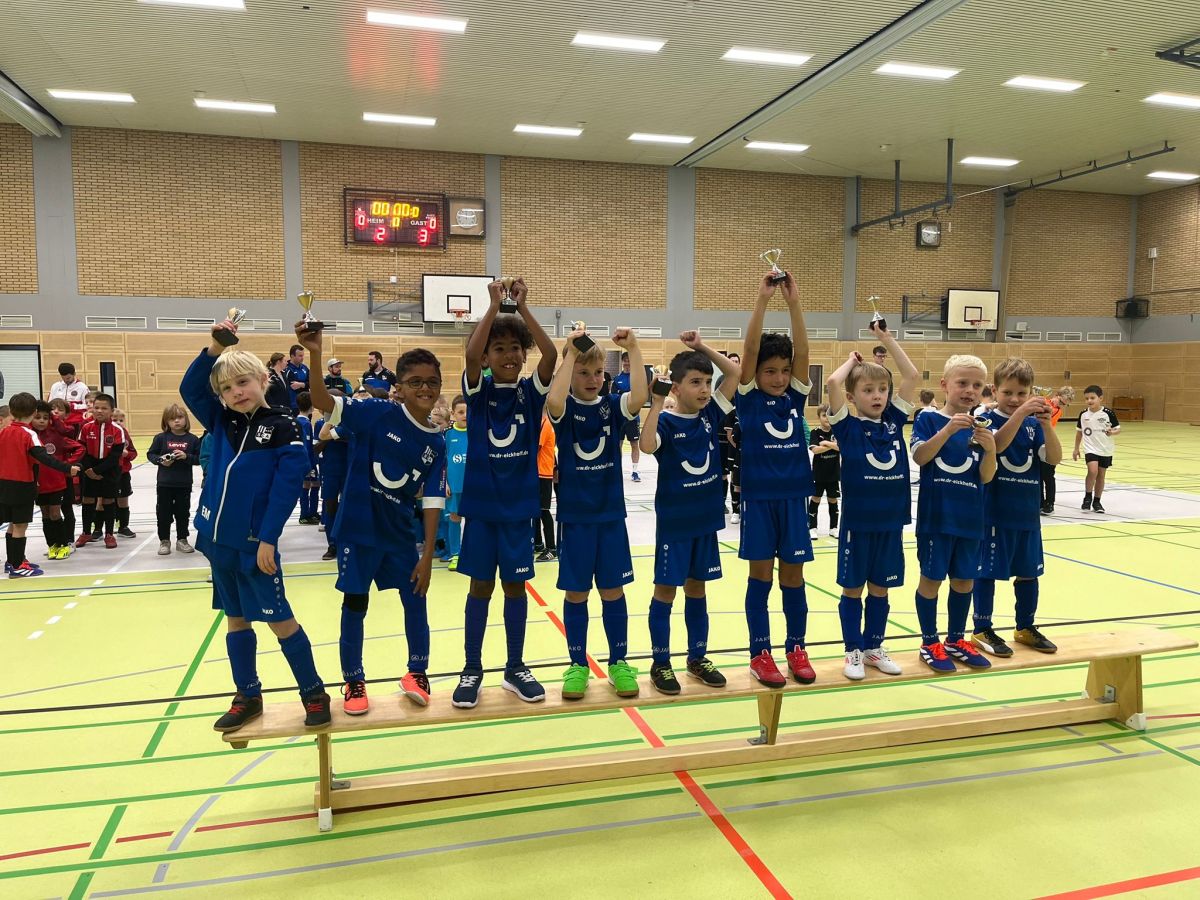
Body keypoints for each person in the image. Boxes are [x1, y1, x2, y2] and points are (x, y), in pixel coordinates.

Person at [181, 316, 331, 733]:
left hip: (254, 547)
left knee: (280, 621)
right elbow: (190, 390)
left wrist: (268, 538)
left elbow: (286, 490)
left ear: (264, 380)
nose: (236, 392)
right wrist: (215, 348)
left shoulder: (285, 427)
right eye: (227, 388)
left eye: (243, 382)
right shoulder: (221, 420)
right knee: (235, 618)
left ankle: (314, 692)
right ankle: (247, 695)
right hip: (217, 542)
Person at [301, 325, 448, 714]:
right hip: (359, 530)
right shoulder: (375, 413)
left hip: (399, 535)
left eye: (432, 382)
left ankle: (417, 672)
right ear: (399, 387)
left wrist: (427, 555)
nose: (424, 388)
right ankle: (353, 681)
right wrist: (315, 353)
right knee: (355, 602)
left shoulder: (436, 442)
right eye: (415, 382)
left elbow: (433, 501)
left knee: (415, 598)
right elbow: (322, 399)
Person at [452, 276, 557, 708]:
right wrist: (494, 307)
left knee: (515, 587)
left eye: (515, 348)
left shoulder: (531, 394)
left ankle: (515, 667)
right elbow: (469, 354)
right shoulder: (478, 394)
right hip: (481, 510)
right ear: (488, 357)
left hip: (517, 511)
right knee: (480, 587)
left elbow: (551, 354)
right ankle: (472, 668)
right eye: (499, 349)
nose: (509, 355)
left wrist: (523, 307)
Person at [547, 326, 646, 700]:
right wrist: (570, 352)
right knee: (576, 594)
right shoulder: (565, 409)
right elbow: (553, 399)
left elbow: (640, 396)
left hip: (609, 518)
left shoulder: (612, 406)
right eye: (583, 373)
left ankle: (619, 662)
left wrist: (633, 348)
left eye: (599, 372)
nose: (592, 379)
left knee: (612, 590)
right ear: (570, 374)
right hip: (575, 519)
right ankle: (577, 665)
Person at [640, 331, 740, 695]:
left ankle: (697, 657)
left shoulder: (710, 413)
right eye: (695, 382)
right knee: (666, 591)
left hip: (705, 522)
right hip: (675, 525)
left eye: (707, 382)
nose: (704, 389)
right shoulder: (666, 422)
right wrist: (656, 402)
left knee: (697, 589)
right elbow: (646, 445)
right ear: (677, 388)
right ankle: (660, 662)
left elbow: (735, 374)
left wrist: (700, 347)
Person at [734, 272, 818, 687]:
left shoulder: (794, 398)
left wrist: (794, 303)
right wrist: (764, 300)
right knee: (761, 577)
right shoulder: (748, 399)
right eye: (770, 371)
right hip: (759, 501)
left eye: (784, 371)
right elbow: (750, 350)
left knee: (794, 578)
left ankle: (796, 648)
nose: (780, 377)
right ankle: (760, 653)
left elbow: (803, 350)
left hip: (793, 500)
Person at [824, 326, 920, 680]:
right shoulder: (847, 428)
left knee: (881, 588)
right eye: (868, 390)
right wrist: (852, 362)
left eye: (882, 389)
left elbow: (911, 375)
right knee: (853, 588)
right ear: (853, 397)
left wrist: (887, 340)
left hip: (890, 522)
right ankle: (852, 651)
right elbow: (832, 383)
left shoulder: (893, 422)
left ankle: (873, 647)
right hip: (859, 524)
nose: (877, 396)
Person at [910, 355, 997, 673]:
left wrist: (991, 450)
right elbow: (920, 457)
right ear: (945, 384)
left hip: (971, 519)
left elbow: (986, 476)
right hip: (937, 518)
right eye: (962, 383)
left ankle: (956, 640)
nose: (970, 390)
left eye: (977, 385)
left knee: (964, 581)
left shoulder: (983, 427)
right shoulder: (929, 419)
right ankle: (929, 642)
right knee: (931, 579)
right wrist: (947, 431)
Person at [971, 358, 1062, 658]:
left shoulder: (1034, 426)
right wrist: (1022, 413)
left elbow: (1053, 458)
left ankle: (1025, 626)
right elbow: (997, 446)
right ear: (994, 390)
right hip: (994, 513)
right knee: (986, 572)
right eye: (1008, 393)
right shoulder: (985, 419)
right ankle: (982, 628)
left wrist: (1046, 425)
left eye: (1022, 394)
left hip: (1027, 514)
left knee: (1028, 573)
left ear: (1031, 392)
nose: (1014, 399)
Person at [0, 393, 79, 577]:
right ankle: (18, 566)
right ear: (34, 412)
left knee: (12, 523)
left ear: (12, 411)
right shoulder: (29, 434)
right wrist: (68, 468)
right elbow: (44, 458)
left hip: (3, 485)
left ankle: (12, 562)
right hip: (22, 485)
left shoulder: (3, 431)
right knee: (20, 526)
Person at [74, 393, 128, 549]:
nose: (99, 411)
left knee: (108, 501)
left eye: (104, 408)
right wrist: (89, 469)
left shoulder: (118, 430)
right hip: (89, 468)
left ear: (111, 410)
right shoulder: (86, 427)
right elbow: (81, 450)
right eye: (96, 407)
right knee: (88, 499)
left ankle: (109, 534)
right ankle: (86, 532)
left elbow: (115, 456)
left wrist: (98, 471)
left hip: (110, 469)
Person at [31, 400, 82, 561]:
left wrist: (67, 465)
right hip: (39, 484)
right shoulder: (29, 436)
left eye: (45, 418)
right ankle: (52, 544)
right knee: (45, 514)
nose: (41, 421)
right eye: (37, 417)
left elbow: (79, 447)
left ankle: (63, 544)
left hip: (57, 483)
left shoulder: (56, 435)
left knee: (55, 513)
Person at [148, 402, 200, 556]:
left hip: (184, 484)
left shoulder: (193, 439)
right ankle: (164, 540)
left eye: (180, 417)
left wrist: (186, 456)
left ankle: (182, 539)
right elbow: (151, 454)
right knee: (163, 513)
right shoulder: (161, 438)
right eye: (172, 418)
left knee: (183, 513)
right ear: (166, 421)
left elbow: (199, 458)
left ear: (186, 419)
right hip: (165, 484)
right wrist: (161, 460)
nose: (176, 421)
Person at [314, 394, 349, 562]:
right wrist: (329, 436)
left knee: (349, 506)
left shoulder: (349, 422)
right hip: (329, 470)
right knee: (330, 507)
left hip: (349, 469)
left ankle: (347, 543)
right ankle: (332, 545)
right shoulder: (320, 424)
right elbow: (315, 448)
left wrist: (335, 435)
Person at [1074, 385, 1119, 514]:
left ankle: (1097, 501)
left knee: (1101, 475)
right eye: (1087, 398)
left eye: (1092, 398)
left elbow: (1118, 429)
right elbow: (1079, 432)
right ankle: (1087, 497)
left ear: (1100, 398)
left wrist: (1112, 432)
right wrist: (1076, 449)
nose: (1089, 400)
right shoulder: (1083, 414)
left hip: (1105, 449)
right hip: (1090, 448)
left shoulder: (1108, 413)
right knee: (1092, 471)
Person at [47, 399, 79, 550]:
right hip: (48, 478)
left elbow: (77, 447)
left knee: (67, 509)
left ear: (66, 415)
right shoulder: (44, 431)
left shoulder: (68, 429)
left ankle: (70, 540)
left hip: (64, 477)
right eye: (52, 409)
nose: (55, 412)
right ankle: (55, 543)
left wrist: (67, 464)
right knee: (50, 512)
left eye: (59, 410)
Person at [610, 351, 646, 483]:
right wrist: (627, 393)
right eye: (625, 360)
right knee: (618, 444)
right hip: (619, 418)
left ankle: (635, 471)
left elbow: (638, 395)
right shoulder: (617, 379)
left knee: (634, 444)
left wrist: (624, 393)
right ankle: (617, 470)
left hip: (633, 418)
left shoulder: (637, 379)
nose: (627, 363)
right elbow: (614, 397)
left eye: (629, 360)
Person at [808, 403, 840, 539]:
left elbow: (842, 448)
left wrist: (826, 443)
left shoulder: (837, 431)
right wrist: (833, 446)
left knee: (833, 500)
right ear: (819, 417)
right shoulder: (815, 432)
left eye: (829, 415)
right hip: (819, 474)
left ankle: (833, 528)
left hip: (833, 474)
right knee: (816, 498)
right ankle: (812, 528)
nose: (827, 418)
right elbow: (815, 450)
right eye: (824, 415)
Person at [1040, 386, 1073, 514]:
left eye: (1064, 404)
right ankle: (1039, 502)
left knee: (1048, 475)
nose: (1061, 405)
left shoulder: (1056, 411)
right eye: (1061, 402)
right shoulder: (1045, 401)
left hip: (1047, 443)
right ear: (1057, 395)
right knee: (1038, 475)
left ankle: (1050, 503)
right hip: (1036, 441)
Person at [444, 395, 468, 572]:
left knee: (475, 520)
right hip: (454, 486)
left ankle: (472, 552)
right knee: (454, 518)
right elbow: (442, 462)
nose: (465, 415)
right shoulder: (448, 435)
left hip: (473, 486)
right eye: (460, 412)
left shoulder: (476, 433)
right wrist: (445, 482)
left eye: (467, 412)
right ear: (453, 414)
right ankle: (455, 554)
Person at [533, 412, 557, 561]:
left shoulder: (544, 423)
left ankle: (551, 548)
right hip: (539, 472)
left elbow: (536, 447)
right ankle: (538, 543)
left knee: (543, 511)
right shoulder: (542, 422)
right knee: (535, 510)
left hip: (542, 473)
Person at [111, 409, 138, 538]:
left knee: (123, 500)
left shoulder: (125, 434)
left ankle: (123, 526)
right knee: (105, 501)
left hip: (123, 473)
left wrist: (127, 454)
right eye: (114, 420)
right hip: (108, 473)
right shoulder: (106, 433)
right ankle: (101, 528)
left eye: (121, 420)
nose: (118, 422)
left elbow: (134, 453)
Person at [294, 391, 320, 524]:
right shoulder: (304, 423)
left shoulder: (299, 421)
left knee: (313, 483)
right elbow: (306, 445)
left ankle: (311, 513)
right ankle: (305, 514)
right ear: (311, 406)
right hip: (308, 460)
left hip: (307, 460)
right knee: (308, 484)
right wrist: (309, 464)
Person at [48, 363, 89, 433]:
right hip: (57, 423)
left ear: (74, 374)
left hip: (75, 423)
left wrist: (73, 406)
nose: (66, 380)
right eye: (63, 378)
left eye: (68, 378)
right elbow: (49, 404)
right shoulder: (55, 386)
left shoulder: (82, 387)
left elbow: (88, 406)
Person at [283, 344, 309, 411]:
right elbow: (294, 387)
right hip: (293, 405)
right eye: (300, 356)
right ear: (292, 356)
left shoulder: (305, 368)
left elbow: (312, 383)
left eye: (303, 355)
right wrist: (305, 385)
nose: (302, 358)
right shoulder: (287, 369)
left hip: (306, 404)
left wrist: (301, 384)